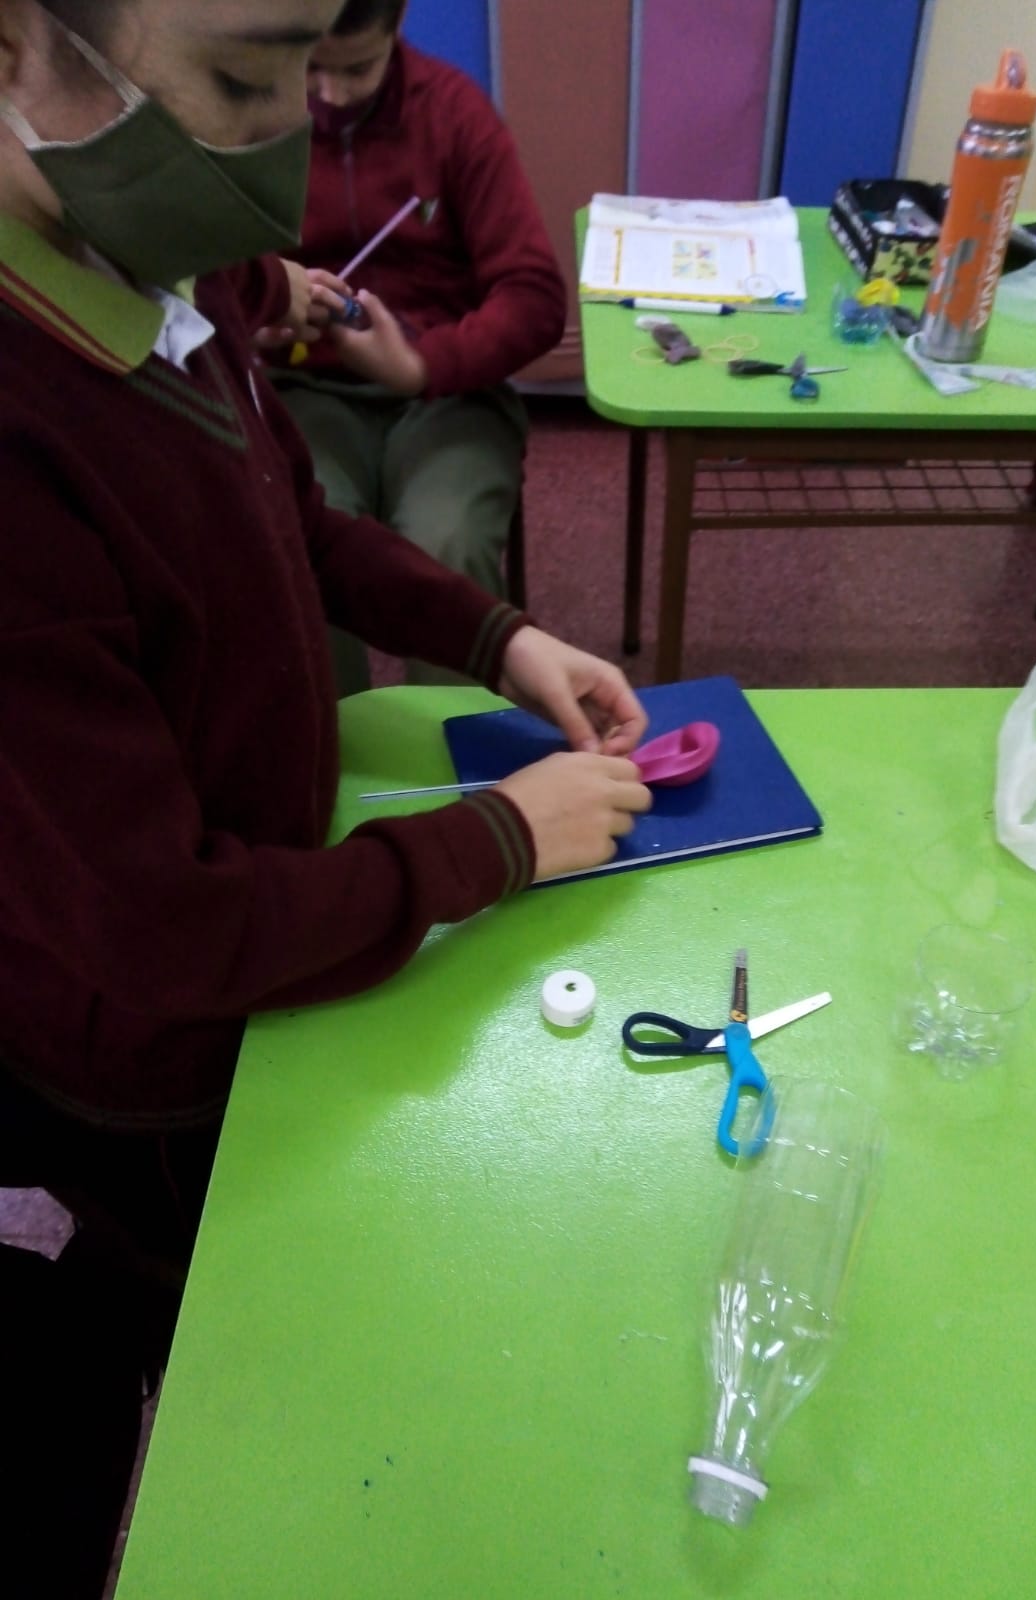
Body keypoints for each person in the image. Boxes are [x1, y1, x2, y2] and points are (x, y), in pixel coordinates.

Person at [0, 5, 648, 1580]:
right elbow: (159, 925)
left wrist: (498, 636)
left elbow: (292, 515)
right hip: (149, 1066)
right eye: (242, 79)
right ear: (17, 47)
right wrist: (497, 838)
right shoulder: (24, 450)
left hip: (271, 940)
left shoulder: (170, 270)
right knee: (217, 1373)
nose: (286, 152)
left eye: (309, 73)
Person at [262, 0, 567, 691]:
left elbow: (535, 298)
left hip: (449, 397)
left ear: (397, 26)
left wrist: (422, 364)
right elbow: (205, 277)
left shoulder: (453, 114)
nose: (331, 95)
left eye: (357, 70)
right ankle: (336, 743)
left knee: (446, 544)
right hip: (305, 388)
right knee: (298, 540)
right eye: (311, 67)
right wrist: (257, 306)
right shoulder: (254, 116)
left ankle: (459, 747)